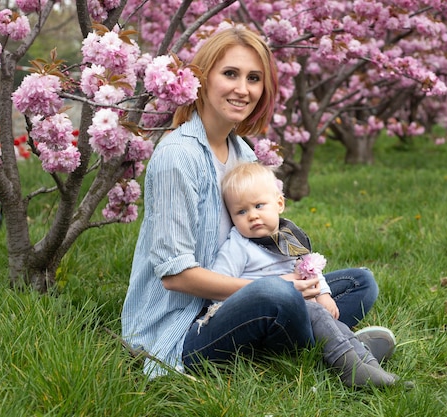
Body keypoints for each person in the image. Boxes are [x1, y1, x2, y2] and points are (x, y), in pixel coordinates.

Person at [121, 25, 391, 380]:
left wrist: (313, 282)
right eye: (230, 74)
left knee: (360, 283)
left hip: (244, 294)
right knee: (276, 297)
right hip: (184, 325)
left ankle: (325, 342)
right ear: (201, 78)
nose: (242, 89)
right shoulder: (178, 156)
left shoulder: (241, 151)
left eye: (253, 78)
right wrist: (280, 289)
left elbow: (271, 230)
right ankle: (339, 350)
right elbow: (175, 276)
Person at [208, 161, 404, 388]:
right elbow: (218, 290)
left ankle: (367, 363)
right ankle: (350, 368)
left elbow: (308, 268)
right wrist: (271, 290)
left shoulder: (288, 236)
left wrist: (323, 293)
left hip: (303, 308)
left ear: (279, 203)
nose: (252, 216)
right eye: (241, 211)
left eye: (259, 205)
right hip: (271, 322)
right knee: (314, 312)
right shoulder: (238, 246)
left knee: (358, 283)